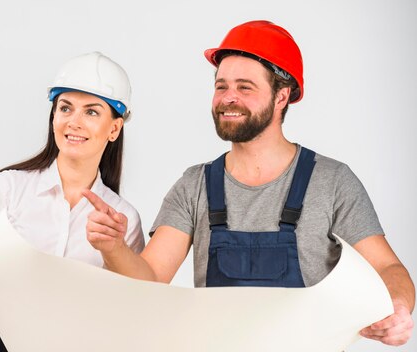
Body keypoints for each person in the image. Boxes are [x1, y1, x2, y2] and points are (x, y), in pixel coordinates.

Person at [83, 21, 414, 346]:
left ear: (282, 96)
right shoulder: (194, 186)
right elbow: (150, 281)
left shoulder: (331, 182)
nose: (228, 98)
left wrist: (397, 309)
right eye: (221, 86)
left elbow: (388, 267)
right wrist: (113, 247)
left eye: (245, 87)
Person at [0, 51, 145, 351]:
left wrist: (114, 250)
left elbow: (128, 312)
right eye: (65, 108)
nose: (74, 122)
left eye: (91, 112)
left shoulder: (121, 220)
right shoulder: (7, 189)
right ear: (54, 117)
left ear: (114, 128)